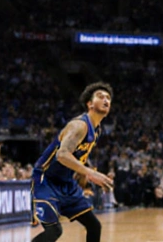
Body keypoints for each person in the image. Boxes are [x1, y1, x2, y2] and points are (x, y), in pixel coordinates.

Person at [29, 83, 115, 242]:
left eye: (108, 98)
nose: (106, 100)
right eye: (101, 97)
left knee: (94, 226)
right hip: (46, 180)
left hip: (66, 183)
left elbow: (78, 158)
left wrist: (85, 175)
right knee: (54, 231)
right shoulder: (79, 125)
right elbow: (62, 155)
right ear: (89, 104)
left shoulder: (97, 130)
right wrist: (91, 173)